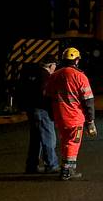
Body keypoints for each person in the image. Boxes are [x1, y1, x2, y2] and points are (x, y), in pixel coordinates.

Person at [47, 47, 97, 180]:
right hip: (74, 117)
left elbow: (48, 96)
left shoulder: (55, 75)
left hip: (59, 116)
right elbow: (88, 100)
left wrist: (52, 114)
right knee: (73, 143)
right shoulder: (80, 76)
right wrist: (90, 120)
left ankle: (65, 168)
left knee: (65, 141)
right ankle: (67, 171)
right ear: (76, 60)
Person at [19, 55, 60, 174]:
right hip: (42, 110)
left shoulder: (32, 74)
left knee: (35, 139)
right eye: (55, 66)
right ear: (51, 65)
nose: (55, 68)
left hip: (31, 109)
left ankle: (31, 166)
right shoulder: (46, 77)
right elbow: (46, 94)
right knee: (49, 138)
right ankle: (51, 164)